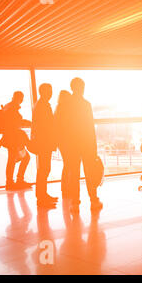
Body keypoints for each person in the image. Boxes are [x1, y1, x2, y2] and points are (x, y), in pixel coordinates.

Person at [67, 78, 103, 213]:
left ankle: (75, 203)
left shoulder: (67, 105)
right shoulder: (86, 104)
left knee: (74, 173)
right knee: (90, 172)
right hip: (86, 143)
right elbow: (90, 127)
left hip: (72, 144)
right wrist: (93, 146)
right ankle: (93, 200)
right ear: (82, 88)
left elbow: (65, 127)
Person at [0, 91, 32, 190]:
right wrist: (29, 123)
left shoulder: (9, 107)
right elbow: (15, 123)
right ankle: (14, 181)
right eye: (21, 98)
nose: (21, 100)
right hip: (13, 139)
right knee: (23, 158)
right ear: (18, 98)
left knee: (13, 160)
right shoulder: (12, 108)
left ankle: (12, 182)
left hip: (10, 138)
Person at [31, 83, 58, 208]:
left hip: (42, 142)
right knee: (44, 169)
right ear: (43, 92)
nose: (51, 93)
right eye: (49, 91)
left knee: (43, 169)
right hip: (44, 142)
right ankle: (41, 197)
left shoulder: (40, 104)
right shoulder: (43, 106)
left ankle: (42, 195)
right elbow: (46, 126)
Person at [54, 90, 73, 198]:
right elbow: (67, 126)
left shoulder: (58, 108)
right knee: (68, 164)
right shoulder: (64, 109)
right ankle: (66, 187)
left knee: (67, 164)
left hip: (61, 141)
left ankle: (65, 187)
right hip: (66, 141)